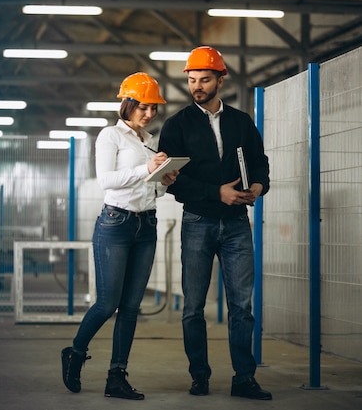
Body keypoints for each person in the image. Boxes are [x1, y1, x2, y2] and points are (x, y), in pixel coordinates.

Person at [158, 46, 272, 400]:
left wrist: (258, 185)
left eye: (205, 79)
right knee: (193, 306)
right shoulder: (176, 126)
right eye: (192, 80)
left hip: (237, 222)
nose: (197, 86)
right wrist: (214, 193)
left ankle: (244, 378)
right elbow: (171, 179)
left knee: (242, 306)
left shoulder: (241, 122)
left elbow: (260, 162)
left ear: (221, 79)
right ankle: (200, 376)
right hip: (198, 220)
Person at [61, 72, 179, 400]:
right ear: (126, 104)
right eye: (143, 107)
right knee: (107, 302)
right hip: (115, 224)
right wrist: (146, 169)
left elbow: (149, 188)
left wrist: (163, 181)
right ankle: (75, 352)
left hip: (147, 225)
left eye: (153, 108)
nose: (149, 114)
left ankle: (117, 376)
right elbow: (106, 180)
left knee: (131, 307)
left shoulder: (149, 140)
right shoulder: (110, 136)